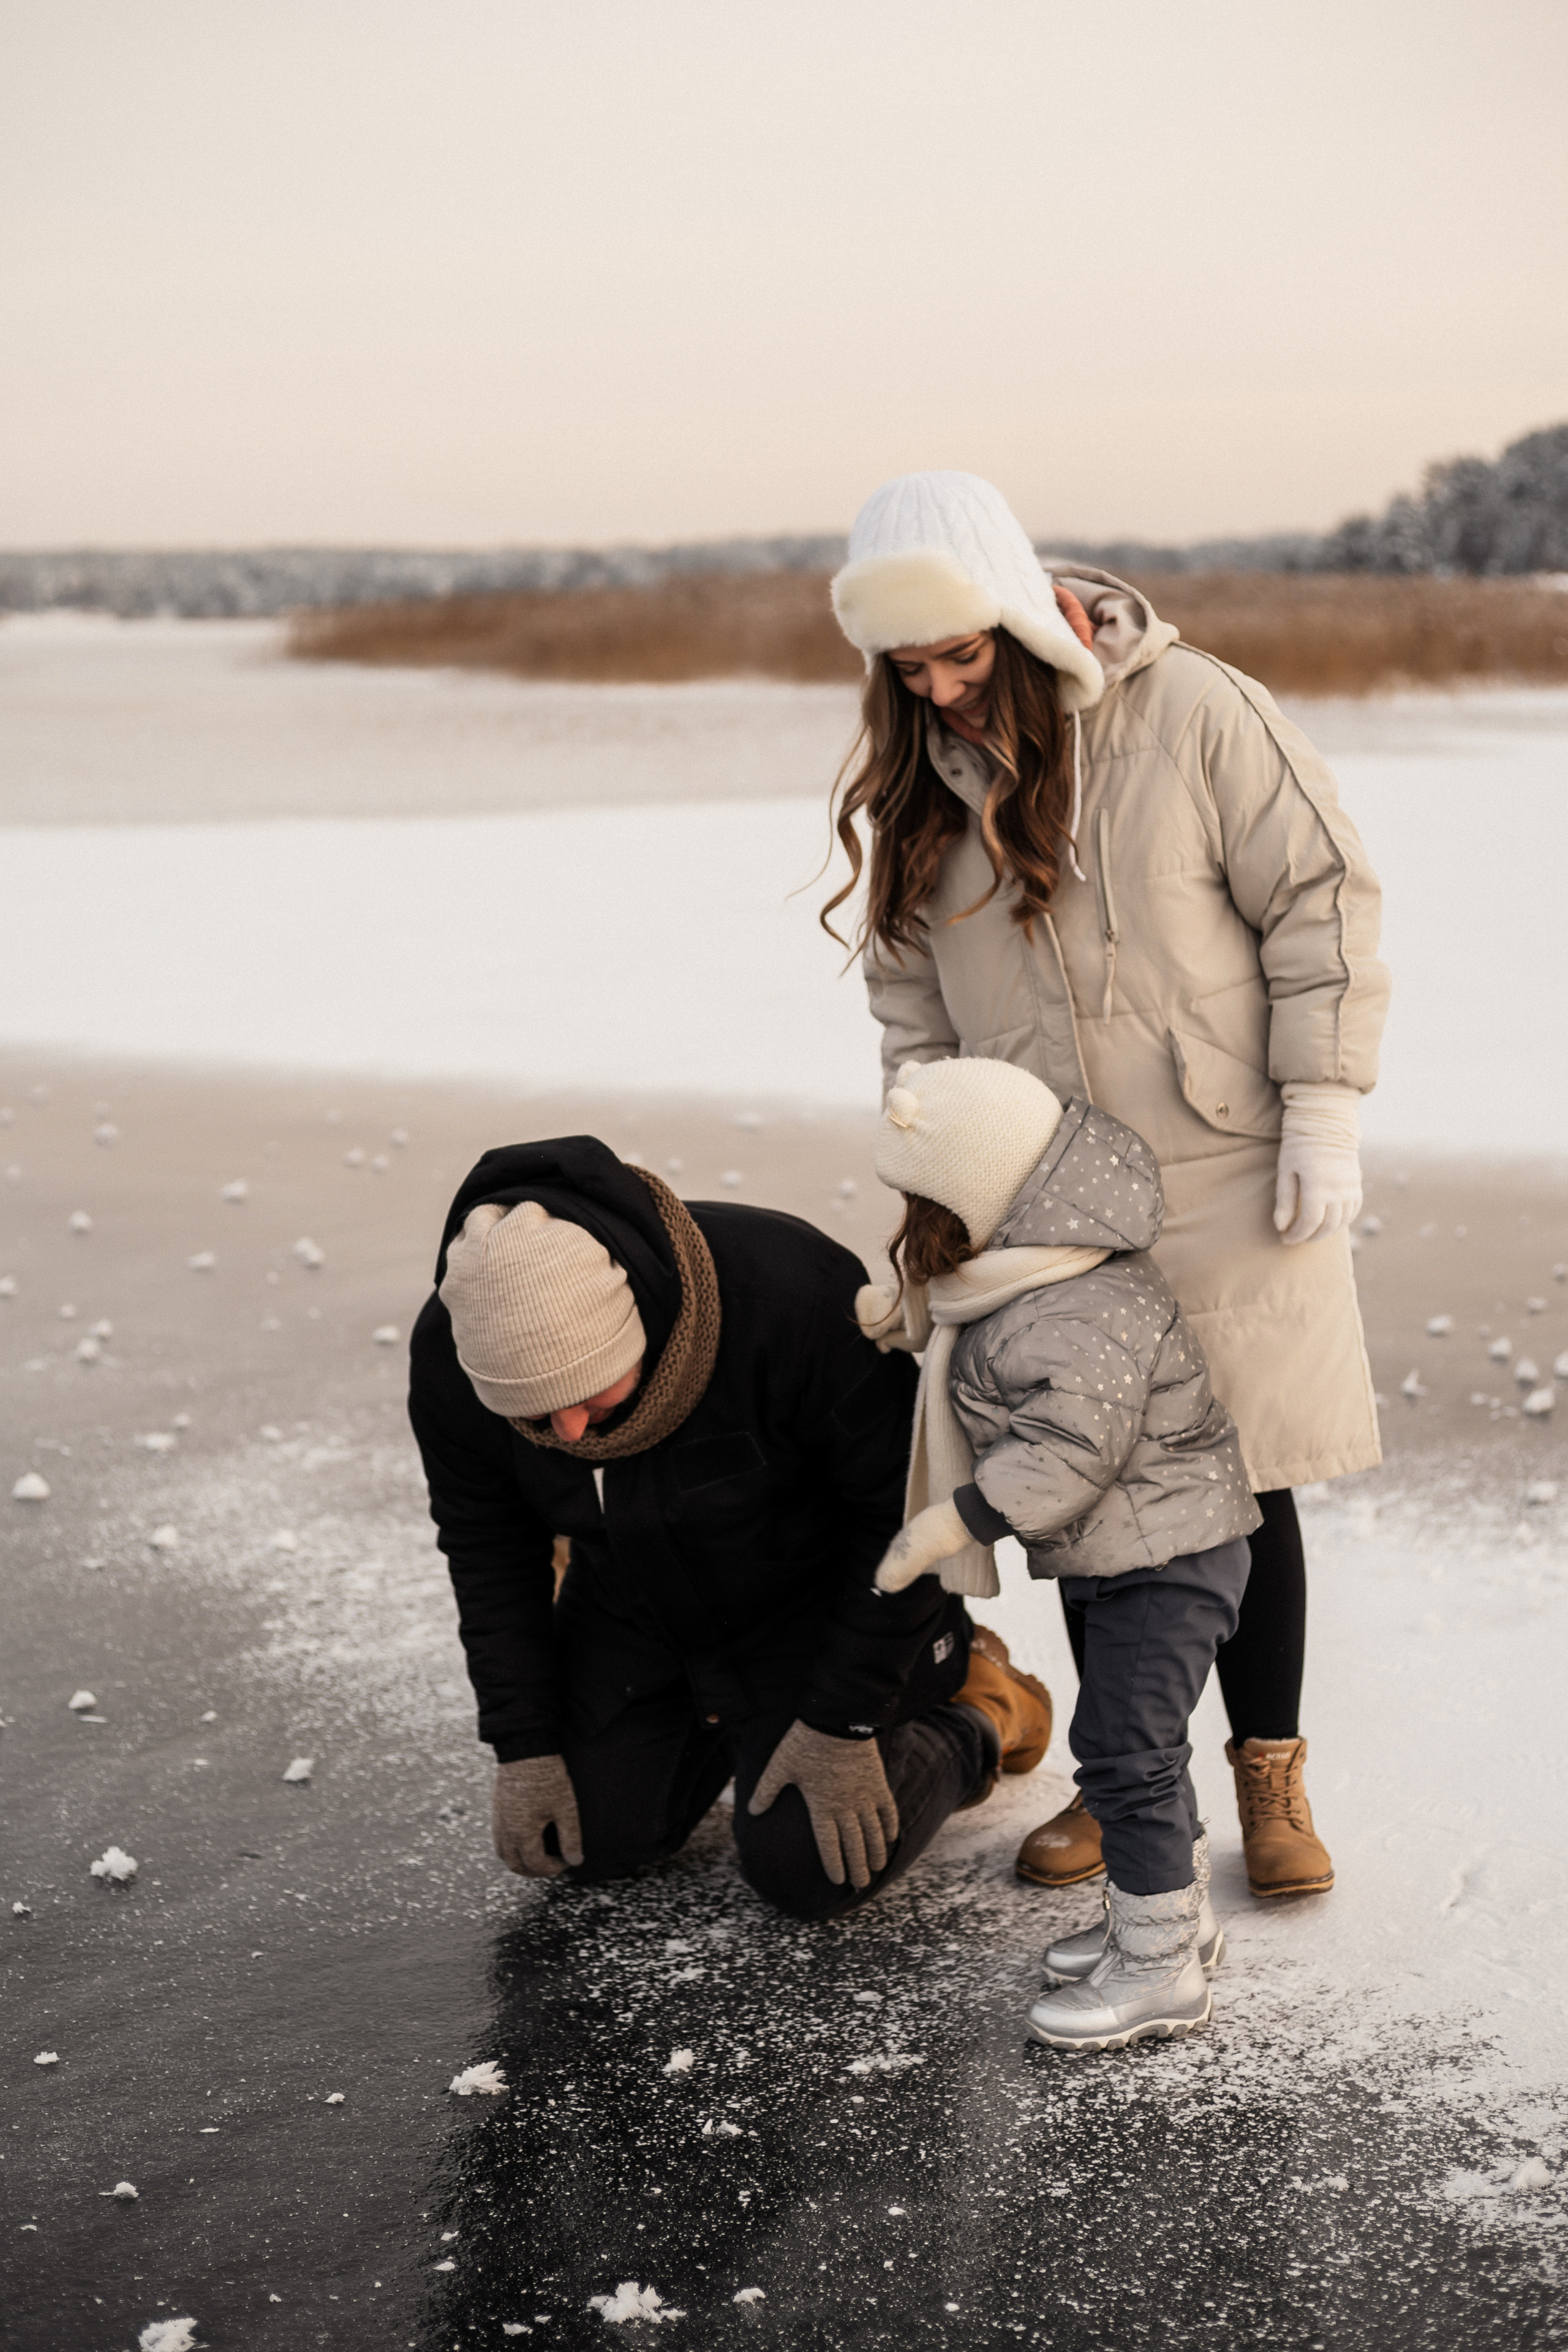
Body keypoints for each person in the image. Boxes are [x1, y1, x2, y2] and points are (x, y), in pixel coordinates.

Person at [825, 469, 1390, 1901]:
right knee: (1087, 1489)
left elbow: (1317, 895)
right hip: (1050, 1207)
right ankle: (1121, 1774)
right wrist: (940, 1192)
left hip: (1220, 1161)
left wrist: (1319, 1105)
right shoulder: (917, 793)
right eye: (910, 667)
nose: (943, 689)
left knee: (1242, 1473)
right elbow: (915, 1021)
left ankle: (1266, 1769)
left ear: (1018, 618)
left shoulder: (1189, 709)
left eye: (962, 653)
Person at [406, 1133, 1052, 1921]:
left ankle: (978, 1711)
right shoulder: (456, 1353)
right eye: (535, 1415)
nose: (569, 1434)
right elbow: (488, 1547)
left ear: (636, 1317)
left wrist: (843, 1721)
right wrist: (525, 1743)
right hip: (637, 1603)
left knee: (809, 1869)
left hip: (811, 1601)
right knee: (588, 1843)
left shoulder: (788, 1295)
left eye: (589, 1396)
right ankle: (725, 1730)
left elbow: (907, 1512)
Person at [865, 1055, 1260, 2051]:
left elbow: (1073, 1448)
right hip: (1125, 1552)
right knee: (1140, 1755)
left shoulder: (1077, 1303)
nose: (909, 1225)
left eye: (921, 1203)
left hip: (1168, 1558)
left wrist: (955, 1519)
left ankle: (1162, 1968)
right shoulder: (1027, 1272)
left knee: (1126, 1755)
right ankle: (1165, 1915)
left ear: (975, 1196)